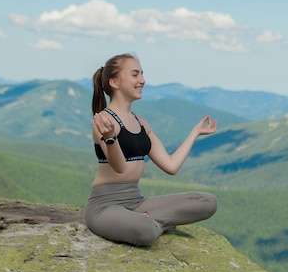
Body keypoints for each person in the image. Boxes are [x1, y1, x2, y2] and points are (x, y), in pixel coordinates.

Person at [84, 52, 218, 246]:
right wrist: (110, 138)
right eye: (135, 74)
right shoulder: (104, 122)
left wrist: (194, 133)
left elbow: (171, 166)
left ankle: (151, 219)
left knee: (208, 201)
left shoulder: (141, 123)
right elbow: (119, 167)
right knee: (144, 231)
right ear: (114, 82)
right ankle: (151, 223)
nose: (142, 80)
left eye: (142, 74)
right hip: (105, 206)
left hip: (137, 202)